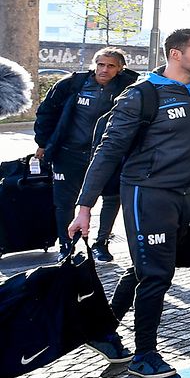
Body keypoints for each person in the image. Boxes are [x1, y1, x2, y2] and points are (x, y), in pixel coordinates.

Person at [67, 29, 190, 378]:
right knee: (157, 274)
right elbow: (108, 151)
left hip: (185, 193)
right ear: (175, 54)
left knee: (146, 267)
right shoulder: (143, 95)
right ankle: (144, 355)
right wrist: (84, 207)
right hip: (147, 193)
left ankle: (102, 330)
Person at [33, 47, 138, 262]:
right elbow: (47, 112)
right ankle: (67, 244)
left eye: (110, 66)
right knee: (64, 201)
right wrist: (43, 143)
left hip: (108, 156)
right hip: (69, 154)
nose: (104, 70)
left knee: (111, 197)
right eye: (100, 64)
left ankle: (101, 243)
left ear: (120, 69)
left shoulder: (131, 89)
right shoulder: (73, 84)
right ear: (94, 64)